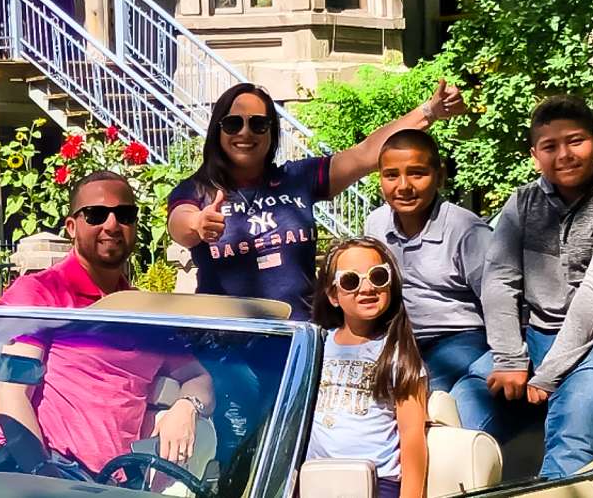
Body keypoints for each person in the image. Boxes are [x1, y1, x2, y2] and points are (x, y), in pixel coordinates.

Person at [167, 79, 466, 320]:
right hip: (227, 340)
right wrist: (198, 223)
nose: (246, 132)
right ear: (217, 131)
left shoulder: (298, 179)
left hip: (298, 335)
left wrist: (429, 111)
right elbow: (179, 223)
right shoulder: (197, 190)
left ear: (272, 132)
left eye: (258, 124)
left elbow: (365, 154)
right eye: (233, 124)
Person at [481, 95, 593, 480]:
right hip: (539, 335)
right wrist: (510, 359)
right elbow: (499, 280)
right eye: (550, 146)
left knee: (580, 413)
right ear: (535, 155)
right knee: (466, 400)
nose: (564, 154)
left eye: (576, 141)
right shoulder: (523, 202)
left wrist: (547, 375)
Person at [0, 170, 216, 481]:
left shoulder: (141, 312)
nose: (111, 225)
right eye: (96, 214)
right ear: (72, 227)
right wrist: (44, 474)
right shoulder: (41, 293)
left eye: (124, 214)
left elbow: (198, 377)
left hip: (116, 481)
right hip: (46, 471)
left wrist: (186, 407)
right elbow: (10, 397)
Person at [362, 129, 497, 437]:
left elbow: (499, 300)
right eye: (391, 175)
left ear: (439, 176)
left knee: (413, 395)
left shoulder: (467, 231)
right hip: (400, 338)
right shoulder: (376, 224)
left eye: (417, 174)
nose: (404, 186)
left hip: (458, 337)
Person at [307, 237, 430, 498]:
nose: (367, 288)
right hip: (313, 480)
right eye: (351, 280)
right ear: (333, 295)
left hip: (376, 483)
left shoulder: (398, 352)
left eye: (378, 276)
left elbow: (412, 436)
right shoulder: (315, 345)